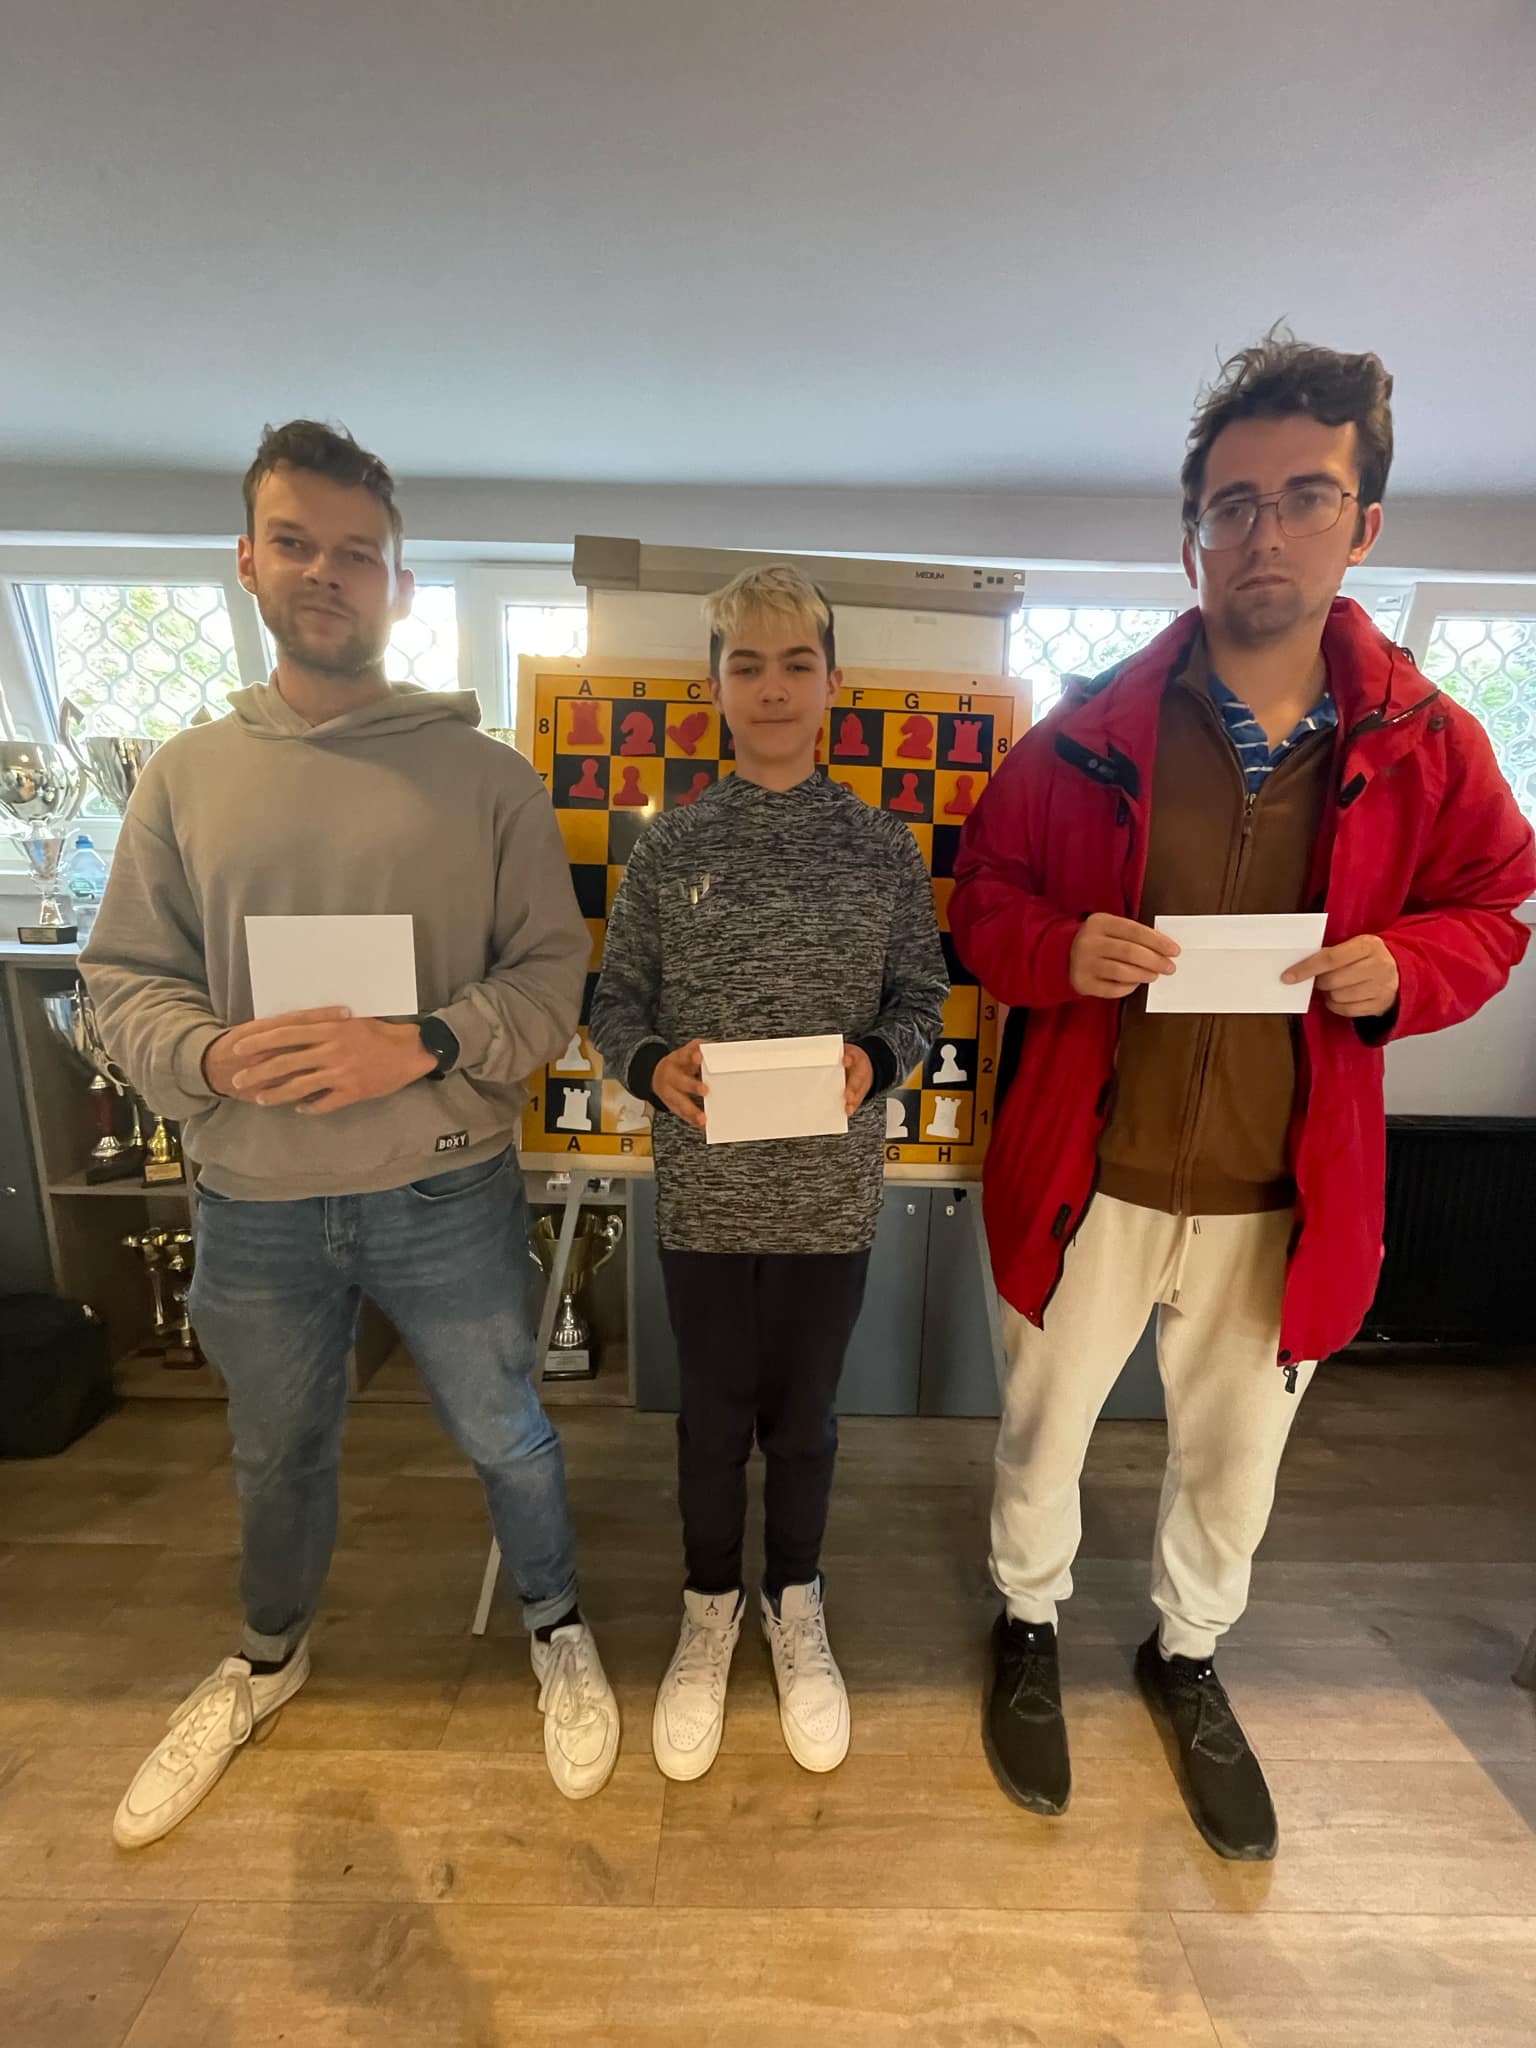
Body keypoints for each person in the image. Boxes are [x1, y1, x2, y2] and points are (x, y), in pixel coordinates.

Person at [950, 334, 1536, 1860]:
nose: (1263, 532)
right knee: (1042, 1430)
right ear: (1192, 533)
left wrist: (1407, 968)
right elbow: (983, 901)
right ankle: (1026, 1624)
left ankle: (1189, 1658)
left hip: (1289, 1192)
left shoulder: (1432, 745)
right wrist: (1057, 950)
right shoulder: (1086, 729)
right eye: (1232, 504)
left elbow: (1495, 908)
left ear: (1364, 524)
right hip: (1091, 1174)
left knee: (1235, 1464)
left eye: (1304, 497)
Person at [84, 420, 620, 1845]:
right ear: (248, 561)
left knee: (507, 1431)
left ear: (400, 582)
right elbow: (123, 978)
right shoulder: (182, 777)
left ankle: (557, 1624)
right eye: (296, 543)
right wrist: (206, 1053)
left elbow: (550, 976)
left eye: (357, 553)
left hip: (445, 1187)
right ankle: (267, 1655)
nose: (326, 572)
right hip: (253, 1195)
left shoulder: (489, 778)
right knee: (274, 1449)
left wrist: (426, 1039)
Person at [591, 564, 947, 1779]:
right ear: (715, 688)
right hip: (704, 1198)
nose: (774, 686)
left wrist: (876, 1059)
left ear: (835, 682)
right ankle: (710, 1606)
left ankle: (795, 1596)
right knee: (709, 1421)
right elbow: (614, 1002)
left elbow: (922, 997)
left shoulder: (883, 846)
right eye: (748, 664)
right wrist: (650, 1064)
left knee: (804, 1422)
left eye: (798, 663)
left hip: (828, 1200)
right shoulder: (671, 846)